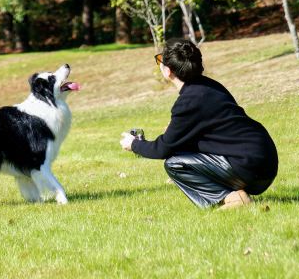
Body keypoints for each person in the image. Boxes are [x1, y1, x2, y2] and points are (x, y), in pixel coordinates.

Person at [119, 38, 278, 209]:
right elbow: (211, 133)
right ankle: (236, 196)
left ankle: (233, 199)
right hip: (266, 163)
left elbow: (163, 149)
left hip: (250, 168)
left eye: (160, 60)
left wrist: (134, 144)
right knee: (180, 153)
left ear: (167, 71)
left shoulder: (188, 102)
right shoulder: (210, 86)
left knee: (174, 163)